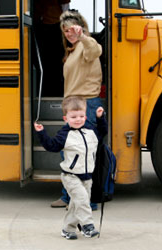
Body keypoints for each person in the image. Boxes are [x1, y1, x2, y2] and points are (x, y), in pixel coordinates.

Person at [34, 96, 108, 239]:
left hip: (87, 176)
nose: (78, 119)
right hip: (71, 176)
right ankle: (87, 225)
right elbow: (52, 146)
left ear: (86, 116)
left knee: (76, 205)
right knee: (82, 200)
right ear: (65, 118)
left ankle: (68, 229)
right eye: (73, 116)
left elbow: (102, 133)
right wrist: (41, 133)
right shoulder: (64, 134)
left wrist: (100, 118)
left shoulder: (90, 130)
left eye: (81, 116)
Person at [51, 10, 103, 210]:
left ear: (80, 28)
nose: (68, 33)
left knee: (83, 155)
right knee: (71, 155)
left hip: (87, 106)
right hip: (75, 106)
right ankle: (69, 196)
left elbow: (96, 50)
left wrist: (82, 36)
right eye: (65, 31)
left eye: (71, 30)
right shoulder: (73, 51)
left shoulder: (86, 45)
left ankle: (87, 200)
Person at [33, 0, 70, 96]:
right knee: (47, 63)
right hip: (43, 26)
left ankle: (53, 93)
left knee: (54, 64)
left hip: (53, 27)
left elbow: (65, 5)